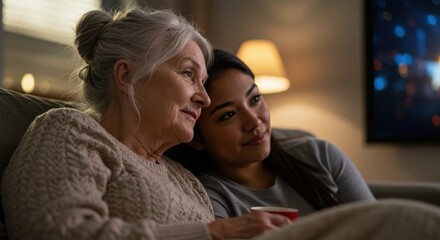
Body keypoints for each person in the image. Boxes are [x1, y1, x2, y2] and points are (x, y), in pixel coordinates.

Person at [1, 6, 292, 240]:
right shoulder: (69, 131)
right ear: (127, 76)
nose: (204, 98)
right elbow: (57, 231)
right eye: (188, 74)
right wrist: (211, 232)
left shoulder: (185, 178)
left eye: (203, 82)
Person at [166, 49, 376, 219]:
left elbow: (381, 226)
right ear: (196, 139)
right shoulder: (211, 198)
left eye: (255, 99)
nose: (254, 122)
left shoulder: (321, 155)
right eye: (228, 115)